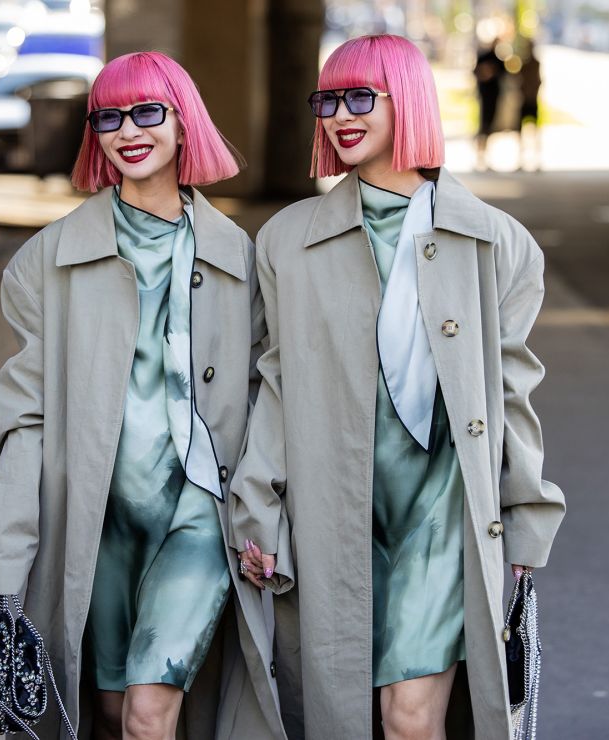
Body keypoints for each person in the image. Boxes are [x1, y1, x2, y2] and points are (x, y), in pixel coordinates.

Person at [231, 34, 565, 740]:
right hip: (334, 508)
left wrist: (529, 508)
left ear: (407, 101)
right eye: (328, 99)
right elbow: (277, 378)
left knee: (408, 718)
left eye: (361, 98)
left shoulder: (497, 242)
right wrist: (256, 500)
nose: (340, 116)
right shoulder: (287, 240)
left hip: (439, 507)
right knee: (344, 715)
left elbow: (512, 389)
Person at [0, 51, 285, 740]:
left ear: (182, 124)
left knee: (148, 710)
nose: (128, 130)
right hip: (98, 518)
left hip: (202, 511)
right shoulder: (45, 263)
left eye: (148, 112)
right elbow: (25, 418)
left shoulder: (240, 258)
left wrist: (261, 508)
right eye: (108, 116)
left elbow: (272, 395)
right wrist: (7, 553)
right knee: (107, 715)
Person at [474, 39, 505, 170]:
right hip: (485, 96)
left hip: (494, 96)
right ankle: (480, 156)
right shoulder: (483, 57)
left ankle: (485, 156)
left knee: (490, 126)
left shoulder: (498, 60)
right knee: (484, 126)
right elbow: (476, 72)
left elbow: (504, 74)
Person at [516, 40, 542, 171]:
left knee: (534, 131)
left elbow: (538, 81)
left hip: (531, 100)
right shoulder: (524, 64)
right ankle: (521, 159)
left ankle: (536, 160)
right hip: (526, 100)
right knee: (521, 131)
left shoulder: (534, 64)